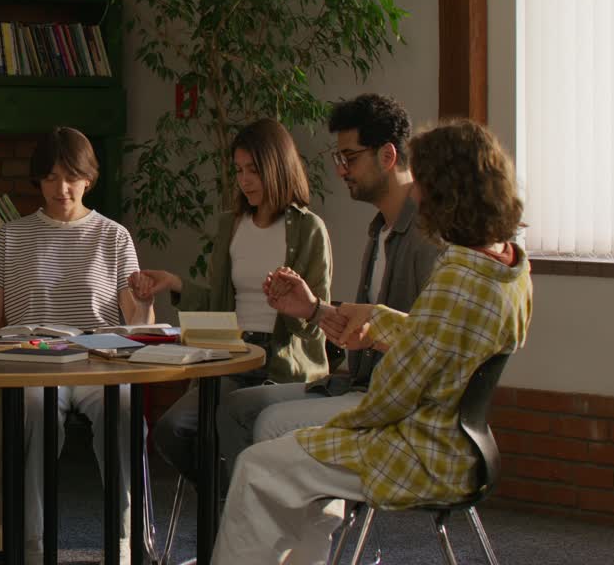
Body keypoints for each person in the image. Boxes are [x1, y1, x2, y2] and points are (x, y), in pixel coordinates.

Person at [213, 119, 533, 564]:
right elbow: (443, 341)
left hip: (421, 449)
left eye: (422, 181)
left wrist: (330, 429)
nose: (416, 192)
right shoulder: (507, 266)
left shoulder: (455, 278)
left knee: (257, 466)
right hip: (460, 442)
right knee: (283, 459)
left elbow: (391, 398)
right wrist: (378, 321)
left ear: (446, 190)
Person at [0, 126, 154, 564]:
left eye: (70, 177)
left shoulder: (114, 236)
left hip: (98, 358)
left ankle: (125, 543)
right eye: (49, 178)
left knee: (123, 410)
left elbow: (138, 327)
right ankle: (28, 546)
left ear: (88, 178)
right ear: (37, 180)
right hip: (34, 358)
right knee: (29, 408)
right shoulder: (13, 236)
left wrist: (145, 301)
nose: (61, 188)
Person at [214, 94, 442, 475]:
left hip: (394, 403)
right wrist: (313, 309)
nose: (341, 170)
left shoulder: (426, 237)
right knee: (236, 408)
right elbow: (368, 330)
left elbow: (429, 341)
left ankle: (269, 529)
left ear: (387, 156)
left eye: (349, 158)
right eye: (340, 160)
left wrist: (355, 325)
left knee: (260, 419)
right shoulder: (380, 231)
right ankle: (256, 528)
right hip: (359, 385)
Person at [131, 118, 332, 484]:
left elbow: (316, 322)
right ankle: (228, 500)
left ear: (277, 167)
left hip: (280, 364)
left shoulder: (308, 228)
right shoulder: (231, 225)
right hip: (233, 356)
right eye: (239, 171)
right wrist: (175, 283)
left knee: (234, 424)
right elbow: (219, 305)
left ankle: (238, 511)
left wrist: (295, 301)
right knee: (170, 429)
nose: (244, 180)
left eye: (253, 170)